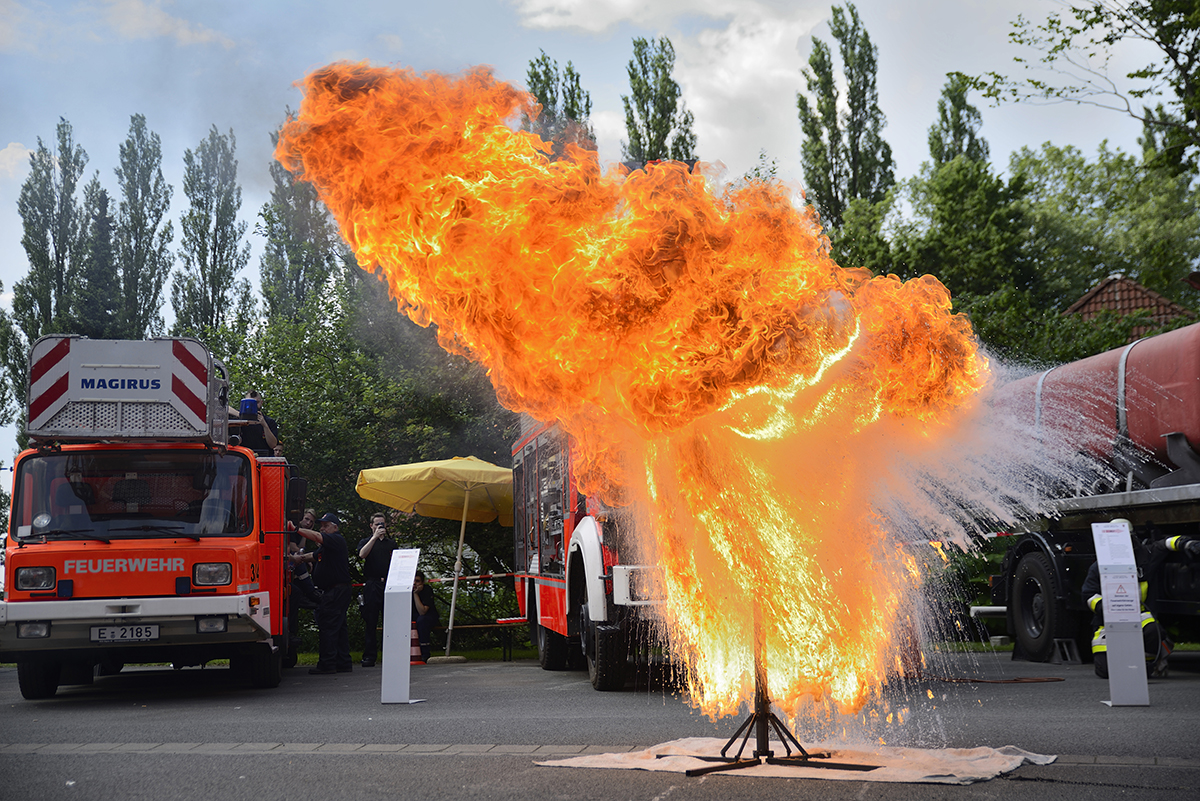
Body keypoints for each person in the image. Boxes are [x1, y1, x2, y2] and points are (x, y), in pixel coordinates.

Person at [294, 512, 354, 674]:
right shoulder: (328, 547)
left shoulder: (335, 539)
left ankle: (327, 664)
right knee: (339, 626)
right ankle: (343, 662)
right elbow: (311, 556)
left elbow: (316, 537)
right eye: (321, 525)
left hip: (335, 590)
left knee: (328, 626)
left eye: (326, 525)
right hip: (338, 590)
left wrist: (295, 529)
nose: (322, 528)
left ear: (335, 527)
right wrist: (293, 559)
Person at [357, 511, 398, 667]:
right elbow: (362, 555)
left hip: (388, 583)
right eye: (377, 524)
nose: (380, 527)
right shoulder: (366, 541)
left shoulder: (391, 543)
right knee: (371, 621)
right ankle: (369, 656)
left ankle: (392, 654)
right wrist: (374, 537)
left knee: (390, 621)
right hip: (372, 584)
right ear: (371, 526)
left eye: (382, 524)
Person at [285, 508, 322, 665]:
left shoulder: (300, 530)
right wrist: (303, 558)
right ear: (300, 517)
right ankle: (311, 592)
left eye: (311, 522)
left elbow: (301, 547)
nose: (308, 523)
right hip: (288, 561)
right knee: (299, 563)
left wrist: (306, 532)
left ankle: (308, 593)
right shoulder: (291, 527)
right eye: (306, 519)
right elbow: (294, 548)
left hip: (292, 567)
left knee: (296, 591)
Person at [229, 391, 279, 455]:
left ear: (261, 403)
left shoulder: (269, 421)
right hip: (243, 457)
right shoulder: (238, 418)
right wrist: (240, 415)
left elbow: (273, 445)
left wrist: (264, 425)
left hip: (263, 458)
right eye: (250, 403)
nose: (253, 406)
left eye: (256, 403)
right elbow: (225, 408)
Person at [412, 570, 439, 663]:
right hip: (414, 617)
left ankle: (425, 653)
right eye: (413, 581)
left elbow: (422, 611)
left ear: (422, 582)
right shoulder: (407, 591)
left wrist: (415, 594)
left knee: (422, 621)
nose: (414, 583)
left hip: (428, 617)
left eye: (417, 581)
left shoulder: (427, 590)